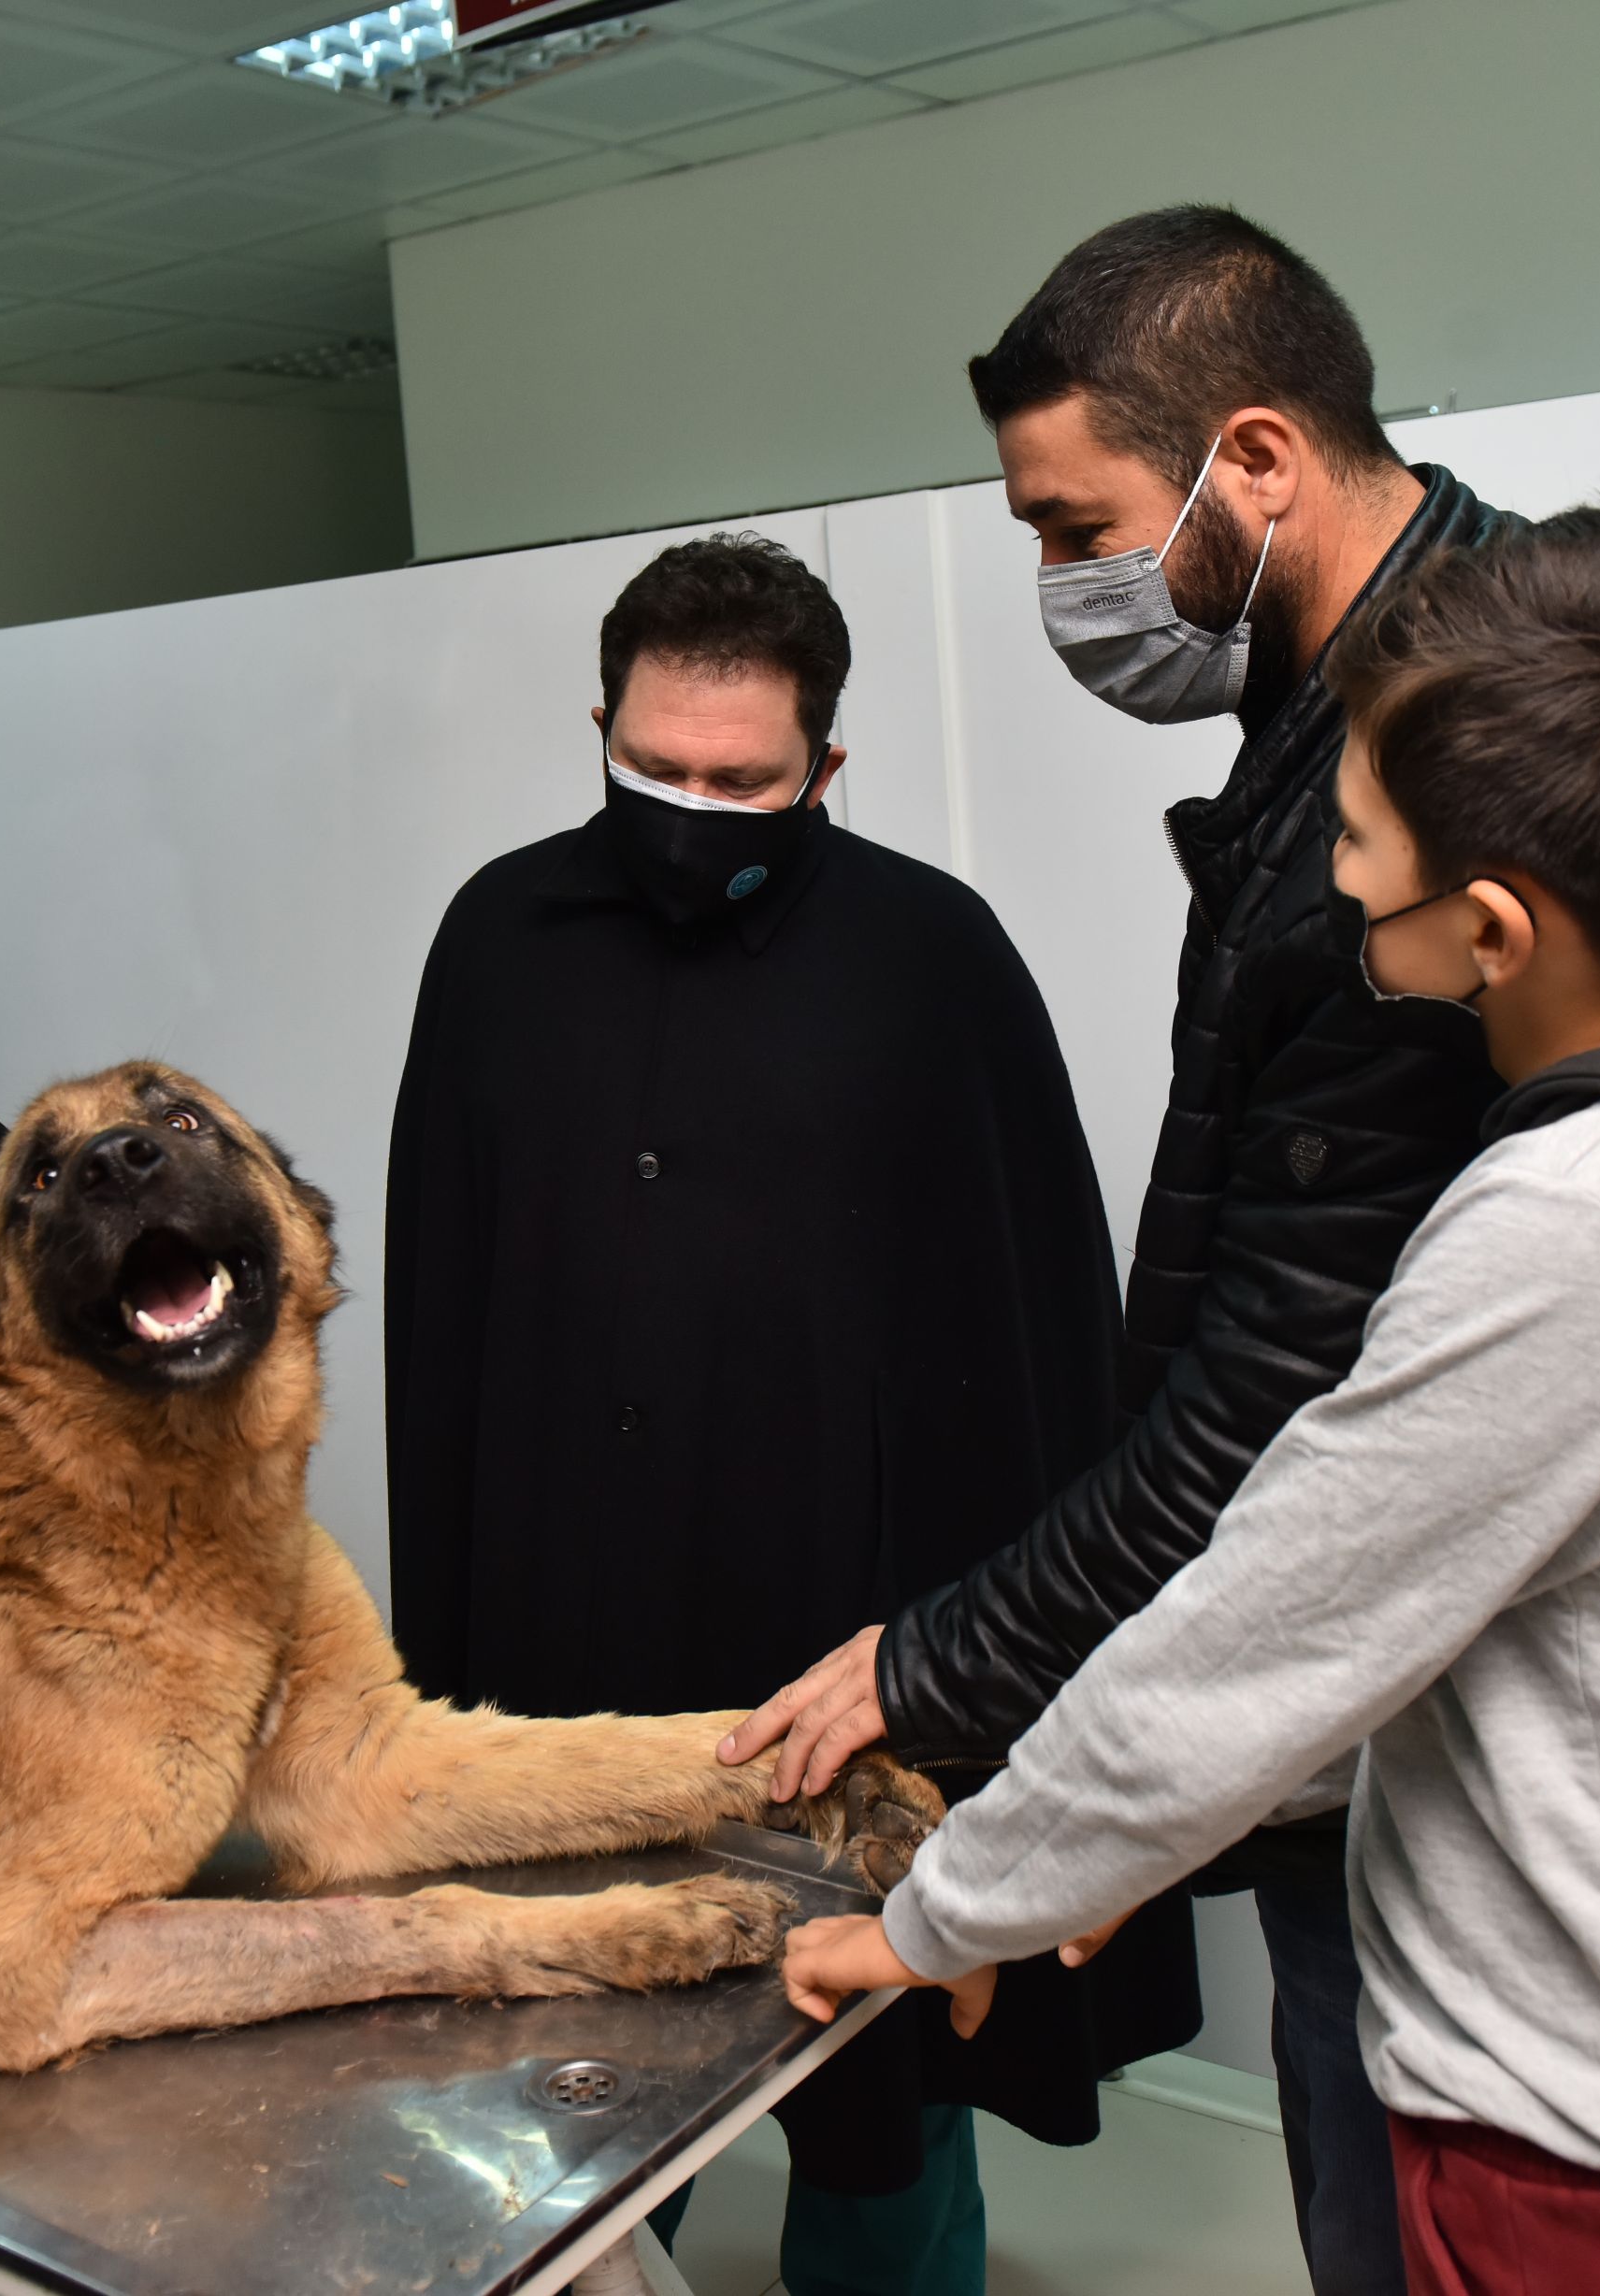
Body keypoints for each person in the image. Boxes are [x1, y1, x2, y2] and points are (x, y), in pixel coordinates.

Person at [785, 500, 1600, 2296]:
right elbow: (1524, 1627)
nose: (1333, 885)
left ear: (1496, 930)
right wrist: (1132, 1839)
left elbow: (1262, 1628)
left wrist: (947, 1911)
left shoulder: (1589, 1227)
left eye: (1354, 840)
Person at [728, 206, 1516, 2296]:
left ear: (1253, 460)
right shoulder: (1338, 724)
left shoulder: (1433, 790)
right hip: (1350, 1692)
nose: (1065, 586)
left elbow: (1277, 1394)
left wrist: (951, 1672)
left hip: (1442, 1739)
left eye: (1075, 526)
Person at [385, 534, 1195, 2296]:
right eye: (651, 771)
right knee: (575, 2141)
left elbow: (1038, 1338)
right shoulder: (498, 943)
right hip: (573, 1673)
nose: (690, 811)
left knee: (887, 2122)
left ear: (828, 768)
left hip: (858, 1666)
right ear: (598, 726)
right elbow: (444, 1344)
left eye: (740, 784)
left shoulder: (934, 957)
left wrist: (1002, 1693)